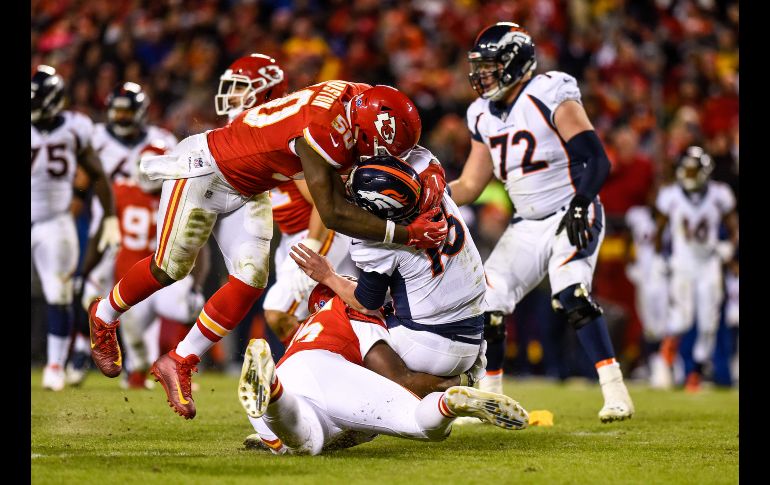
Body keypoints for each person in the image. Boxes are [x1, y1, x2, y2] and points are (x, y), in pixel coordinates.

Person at [87, 79, 448, 419]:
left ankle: (179, 359)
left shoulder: (357, 98)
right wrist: (406, 233)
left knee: (249, 281)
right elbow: (333, 212)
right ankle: (104, 314)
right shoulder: (324, 130)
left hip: (248, 186)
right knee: (170, 267)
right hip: (206, 169)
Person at [448, 22, 633, 422]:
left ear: (514, 64)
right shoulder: (481, 114)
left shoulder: (549, 92)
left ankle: (615, 390)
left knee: (571, 295)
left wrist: (584, 203)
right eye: (479, 67)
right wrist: (425, 194)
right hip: (526, 224)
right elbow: (471, 183)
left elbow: (596, 158)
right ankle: (489, 398)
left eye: (491, 66)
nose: (482, 75)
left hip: (571, 209)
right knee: (488, 303)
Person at [239, 281, 528, 455]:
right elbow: (399, 379)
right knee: (418, 420)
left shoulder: (310, 324)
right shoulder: (356, 310)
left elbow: (349, 434)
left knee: (305, 443)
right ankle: (447, 405)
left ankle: (273, 394)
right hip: (325, 371)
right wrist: (461, 378)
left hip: (289, 377)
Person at [290, 153, 486, 378]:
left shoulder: (374, 240)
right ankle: (465, 375)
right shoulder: (438, 195)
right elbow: (423, 156)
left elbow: (366, 303)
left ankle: (431, 384)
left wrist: (327, 275)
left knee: (334, 306)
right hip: (475, 334)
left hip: (427, 345)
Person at [214, 53, 357, 344]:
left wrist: (313, 244)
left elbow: (322, 200)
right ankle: (326, 368)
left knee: (278, 311)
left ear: (266, 90)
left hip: (318, 230)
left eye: (240, 87)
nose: (231, 96)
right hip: (292, 238)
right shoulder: (253, 133)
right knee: (312, 314)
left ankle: (320, 365)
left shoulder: (283, 133)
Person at [69, 82, 180, 386]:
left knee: (135, 296)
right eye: (116, 111)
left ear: (140, 112)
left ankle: (139, 363)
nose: (120, 117)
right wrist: (76, 207)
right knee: (90, 288)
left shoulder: (162, 140)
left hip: (149, 221)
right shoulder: (97, 137)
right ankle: (81, 348)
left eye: (126, 111)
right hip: (107, 221)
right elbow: (81, 179)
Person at [31, 65, 118, 391]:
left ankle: (55, 366)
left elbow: (97, 173)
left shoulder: (75, 127)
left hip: (54, 220)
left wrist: (109, 217)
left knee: (59, 292)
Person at [652, 146, 739, 392]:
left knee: (708, 323)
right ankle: (665, 356)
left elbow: (733, 226)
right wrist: (660, 257)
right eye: (685, 170)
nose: (688, 175)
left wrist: (728, 248)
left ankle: (696, 373)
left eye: (693, 170)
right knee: (682, 319)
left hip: (709, 264)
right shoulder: (670, 195)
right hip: (683, 264)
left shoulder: (720, 194)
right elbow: (660, 229)